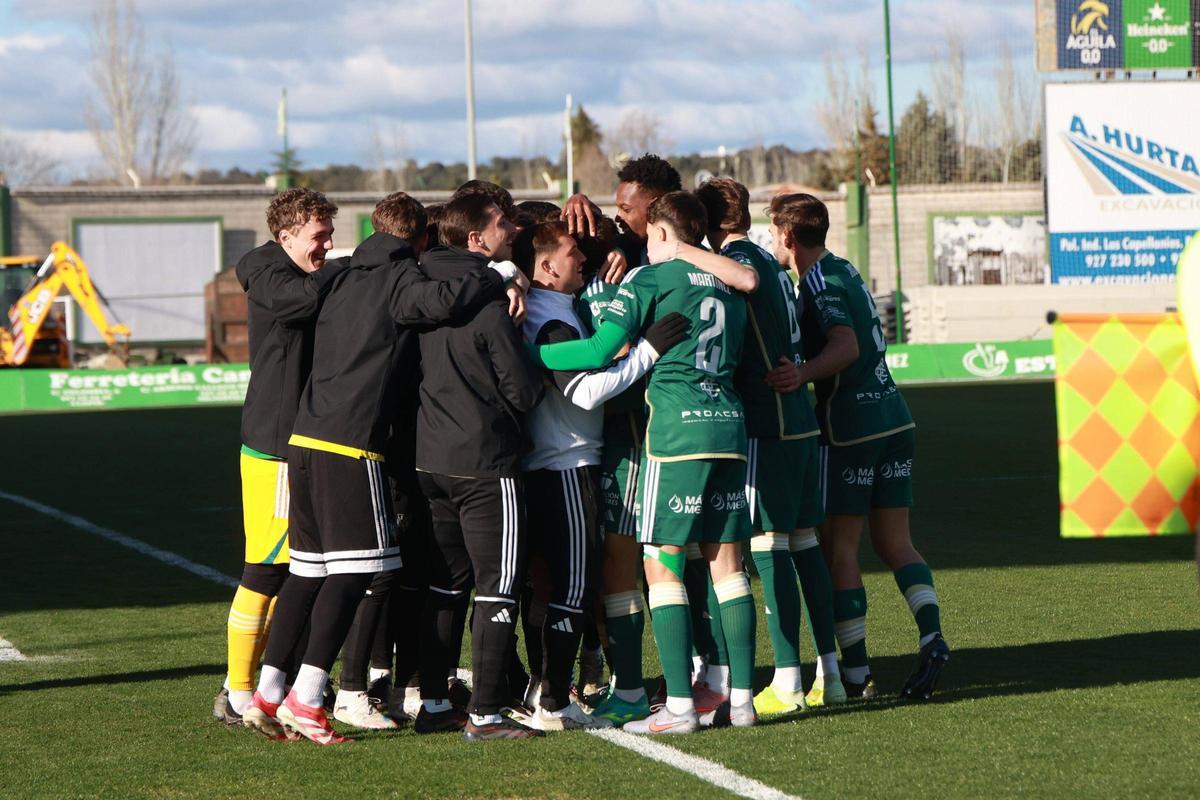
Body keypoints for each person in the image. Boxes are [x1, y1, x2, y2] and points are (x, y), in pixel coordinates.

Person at [241, 193, 520, 745]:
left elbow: (261, 269)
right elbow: (443, 300)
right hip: (350, 445)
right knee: (358, 570)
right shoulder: (398, 278)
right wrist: (499, 273)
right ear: (417, 242)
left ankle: (268, 694)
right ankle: (307, 698)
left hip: (304, 439)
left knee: (309, 571)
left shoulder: (341, 273)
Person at [532, 191, 758, 733]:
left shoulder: (650, 280)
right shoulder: (729, 286)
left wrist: (523, 352)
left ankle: (675, 705)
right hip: (728, 427)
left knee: (659, 560)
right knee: (727, 565)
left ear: (659, 234)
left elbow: (595, 352)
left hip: (670, 432)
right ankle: (743, 701)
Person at [767, 192, 949, 701]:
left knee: (840, 549)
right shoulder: (845, 268)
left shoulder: (818, 280)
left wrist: (800, 373)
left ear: (787, 236)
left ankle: (856, 673)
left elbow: (844, 345)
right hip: (894, 418)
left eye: (773, 233)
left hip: (851, 429)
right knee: (897, 544)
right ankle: (932, 636)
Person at [696, 178, 846, 715]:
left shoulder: (739, 265)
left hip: (769, 424)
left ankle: (786, 681)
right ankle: (831, 672)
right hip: (800, 422)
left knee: (767, 549)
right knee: (805, 547)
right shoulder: (773, 263)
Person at [413, 193, 548, 740]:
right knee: (499, 586)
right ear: (475, 240)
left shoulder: (418, 288)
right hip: (486, 464)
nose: (511, 230)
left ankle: (436, 704)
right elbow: (523, 390)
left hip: (431, 460)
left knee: (447, 587)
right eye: (500, 225)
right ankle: (488, 715)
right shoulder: (490, 302)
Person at [214, 188, 344, 727]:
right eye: (319, 236)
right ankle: (237, 690)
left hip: (302, 441)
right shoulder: (268, 269)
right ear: (286, 234)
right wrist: (342, 269)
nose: (327, 245)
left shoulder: (287, 268)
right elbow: (302, 300)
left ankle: (274, 676)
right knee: (265, 569)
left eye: (329, 236)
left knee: (299, 567)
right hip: (273, 445)